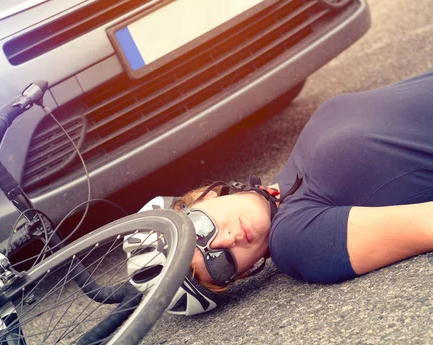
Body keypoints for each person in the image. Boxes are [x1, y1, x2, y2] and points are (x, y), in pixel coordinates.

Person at [174, 69, 433, 298]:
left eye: (201, 231)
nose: (226, 240)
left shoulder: (293, 172)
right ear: (240, 274)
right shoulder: (293, 239)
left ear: (205, 198)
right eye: (220, 263)